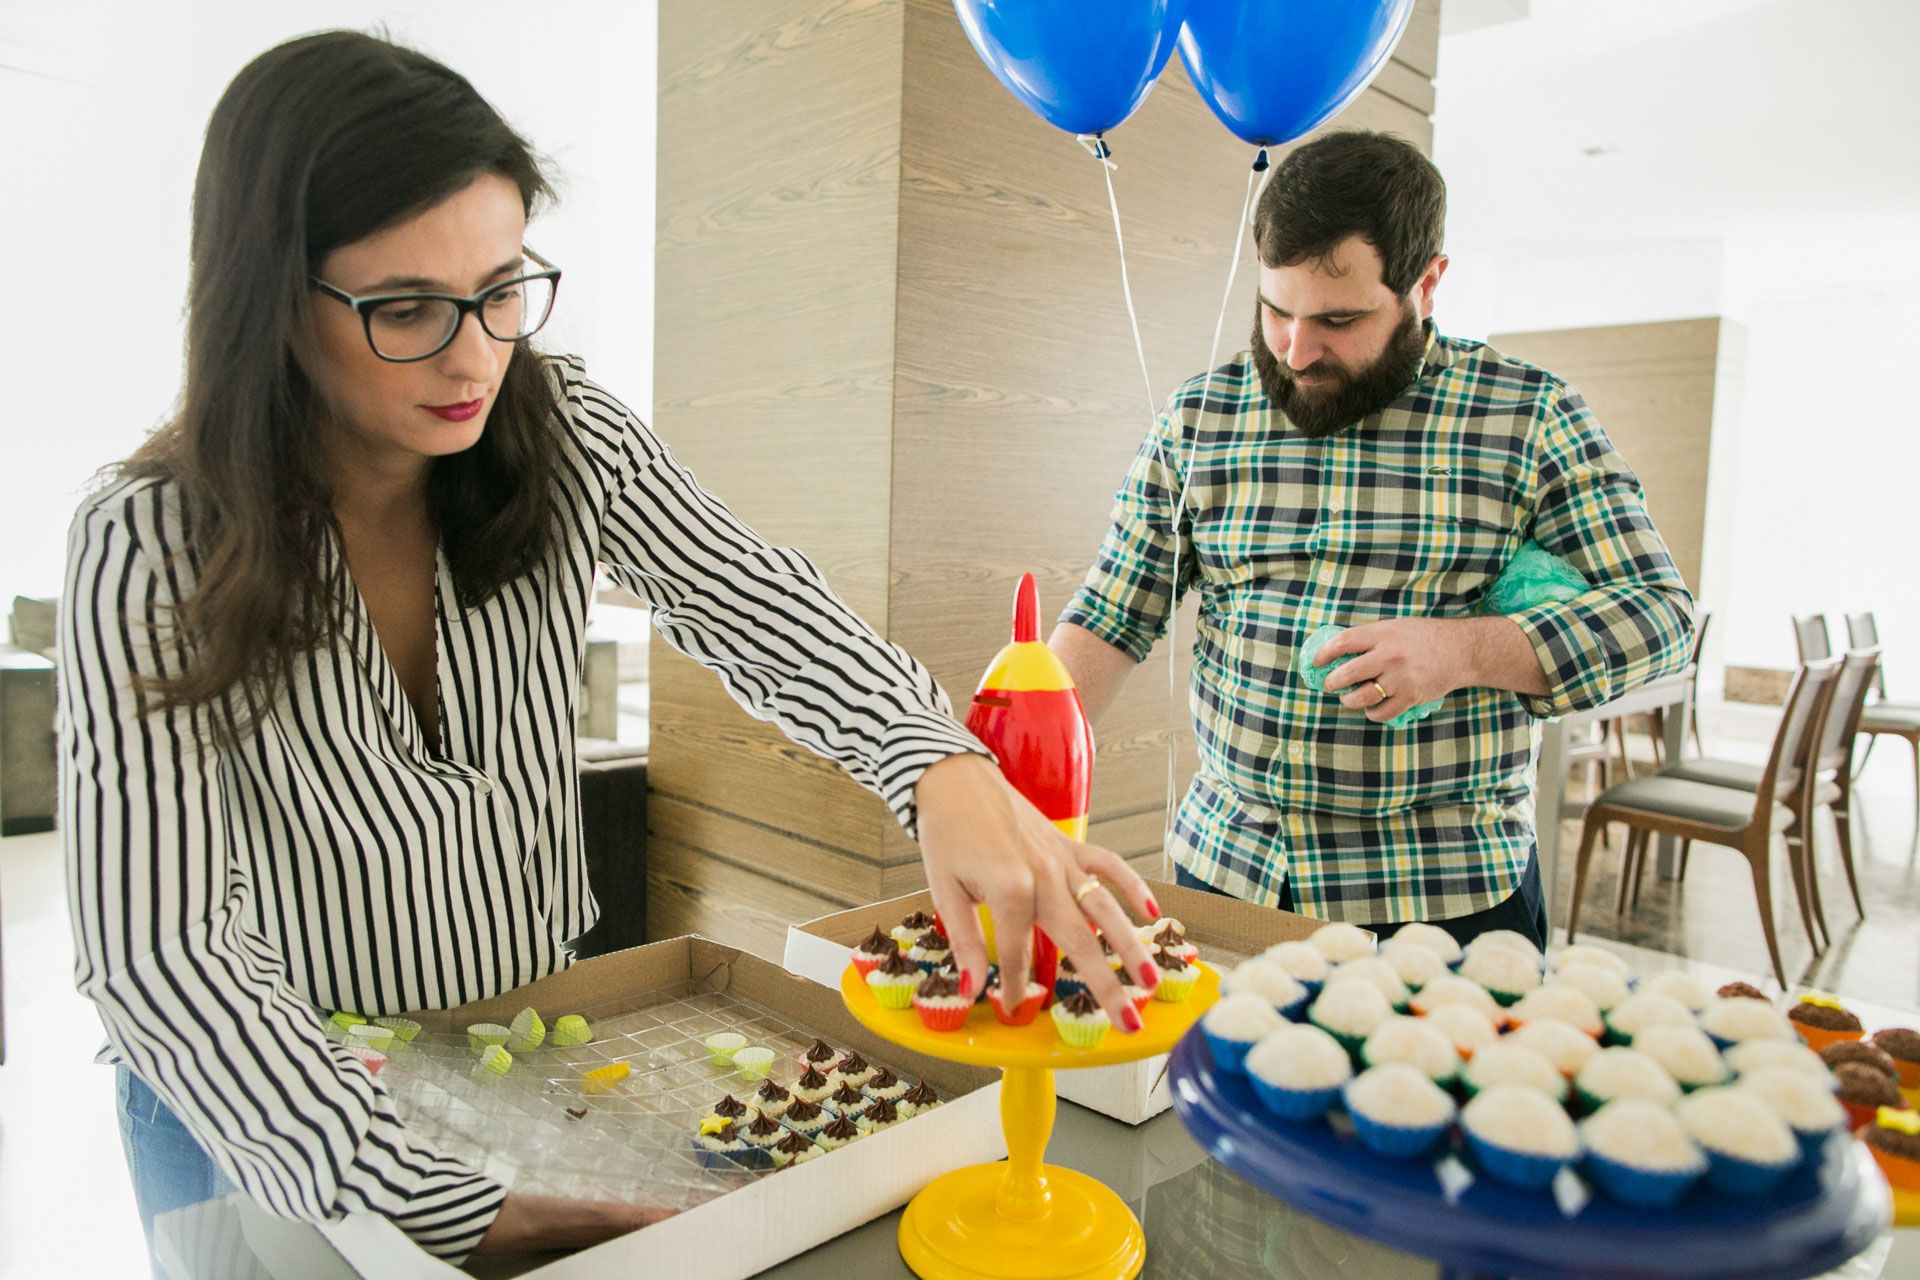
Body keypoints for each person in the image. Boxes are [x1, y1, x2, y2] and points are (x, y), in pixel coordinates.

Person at [60, 31, 1160, 1270]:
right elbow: (163, 950)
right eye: (406, 309)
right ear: (269, 300)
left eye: (502, 288)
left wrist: (937, 765)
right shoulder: (148, 545)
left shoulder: (564, 433)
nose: (475, 354)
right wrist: (434, 1196)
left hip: (523, 1039)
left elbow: (757, 603)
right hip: (255, 1101)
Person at [1051, 130, 1694, 950]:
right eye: (1275, 310)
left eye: (1339, 319)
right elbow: (1112, 616)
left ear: (1427, 283)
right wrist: (1006, 769)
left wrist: (1463, 651)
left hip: (1446, 898)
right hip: (1229, 873)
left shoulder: (1530, 415)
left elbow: (1662, 619)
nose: (1295, 351)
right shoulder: (1199, 415)